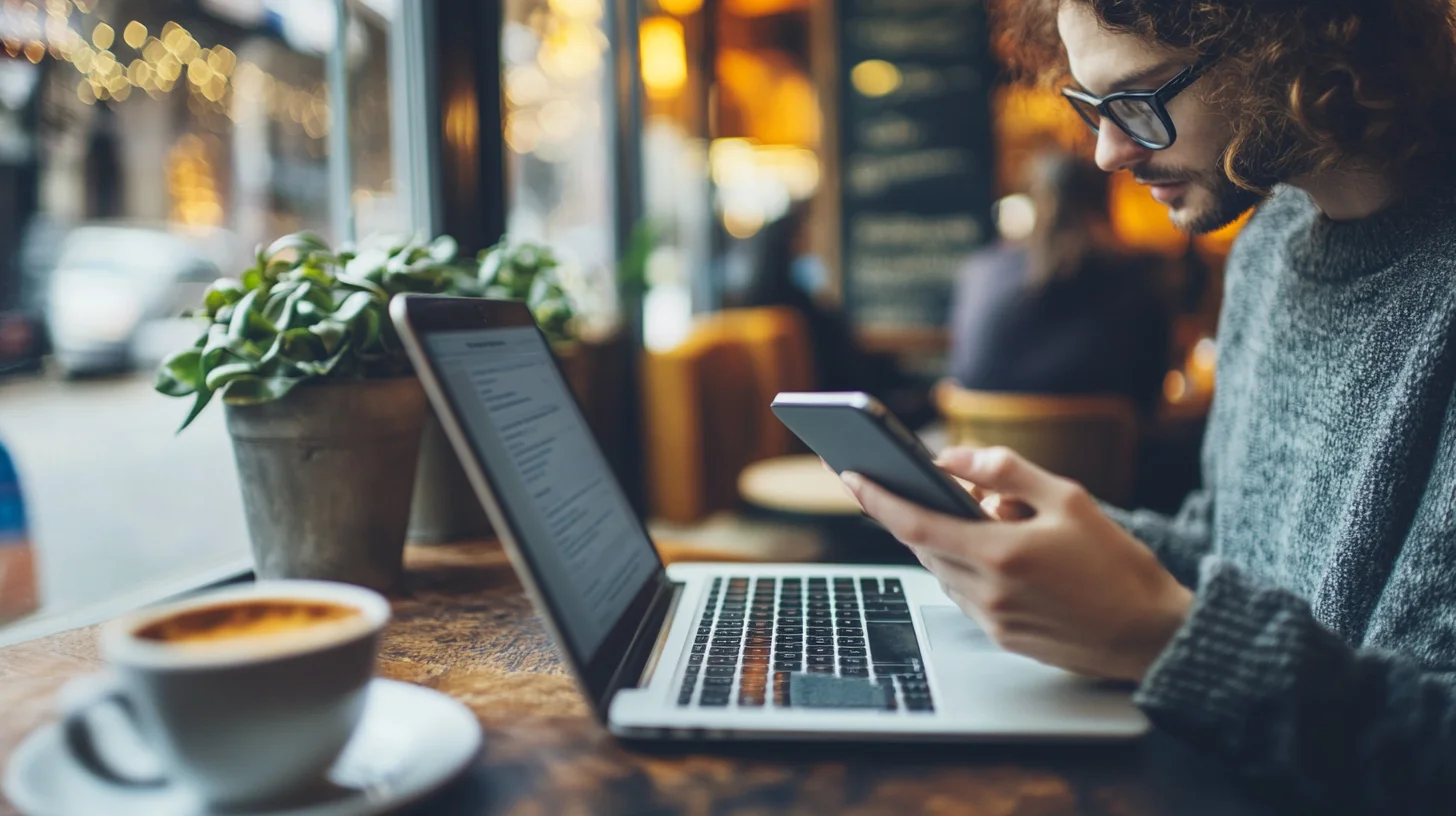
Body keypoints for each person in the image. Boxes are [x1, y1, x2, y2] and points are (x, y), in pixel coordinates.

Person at [837, 0, 1456, 811]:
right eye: (1091, 107)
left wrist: (1163, 638)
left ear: (1295, 45)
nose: (1106, 151)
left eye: (1139, 101)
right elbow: (1232, 550)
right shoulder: (1268, 250)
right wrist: (1061, 537)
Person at [949, 149, 1171, 415]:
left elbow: (961, 373)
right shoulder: (1139, 276)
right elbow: (1150, 396)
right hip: (1104, 455)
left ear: (1034, 197)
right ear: (1104, 199)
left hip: (981, 449)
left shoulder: (982, 269)